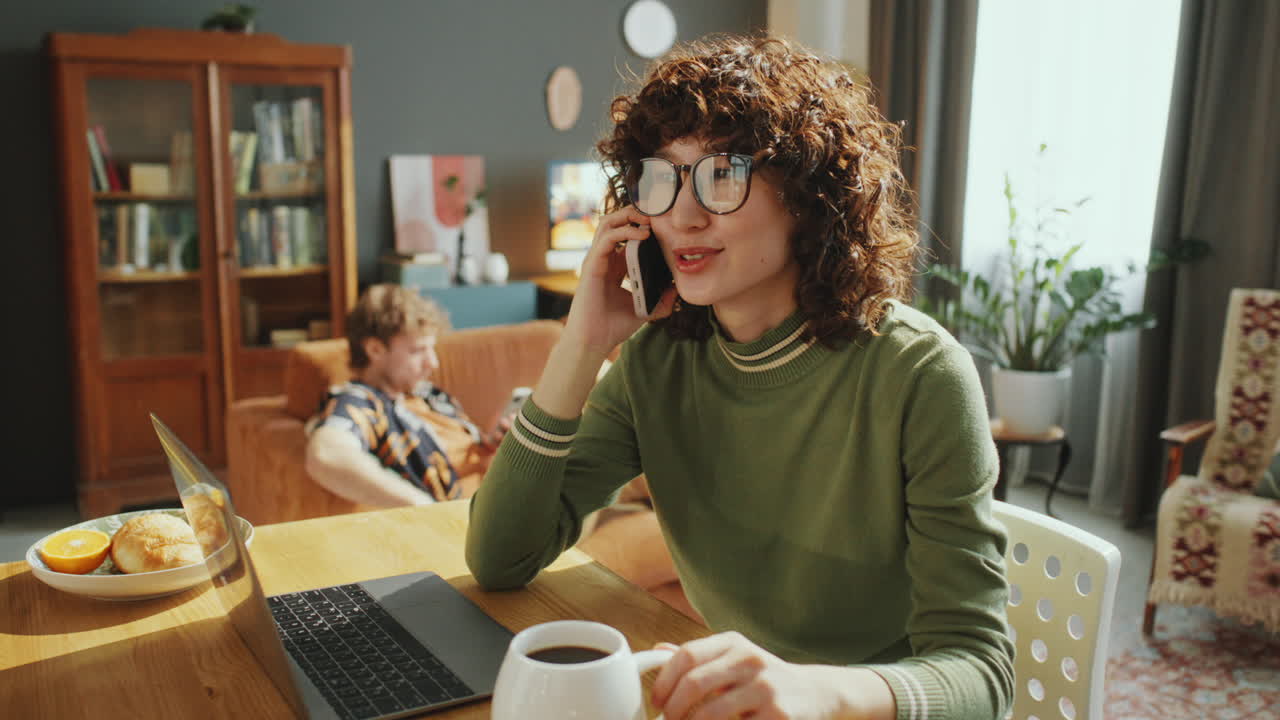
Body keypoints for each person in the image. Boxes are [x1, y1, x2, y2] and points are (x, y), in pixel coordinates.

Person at [466, 33, 1014, 720]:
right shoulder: (655, 362)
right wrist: (583, 342)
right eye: (662, 178)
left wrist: (817, 689)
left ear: (809, 195)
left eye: (723, 174)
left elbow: (982, 676)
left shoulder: (920, 375)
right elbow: (499, 558)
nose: (684, 216)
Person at [304, 284, 501, 506]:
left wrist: (496, 444)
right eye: (418, 351)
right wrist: (420, 506)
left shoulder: (429, 395)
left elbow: (475, 458)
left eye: (431, 348)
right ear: (375, 350)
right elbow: (325, 453)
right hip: (463, 521)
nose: (433, 363)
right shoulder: (361, 400)